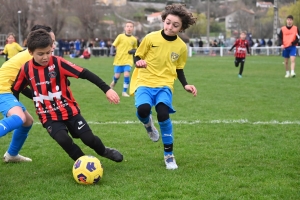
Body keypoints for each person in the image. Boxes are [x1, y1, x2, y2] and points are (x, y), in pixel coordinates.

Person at [12, 29, 123, 163]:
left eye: (48, 52)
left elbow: (85, 73)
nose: (45, 57)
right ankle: (83, 163)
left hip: (70, 111)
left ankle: (104, 151)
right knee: (64, 140)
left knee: (89, 139)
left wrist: (107, 90)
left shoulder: (58, 63)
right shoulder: (26, 69)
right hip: (48, 116)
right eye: (40, 54)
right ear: (30, 52)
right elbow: (16, 88)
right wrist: (18, 108)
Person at [129, 4, 197, 170]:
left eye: (175, 25)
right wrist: (138, 62)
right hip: (144, 81)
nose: (170, 27)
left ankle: (169, 155)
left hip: (165, 85)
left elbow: (179, 68)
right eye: (168, 22)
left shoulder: (181, 47)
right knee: (143, 110)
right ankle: (148, 125)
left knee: (163, 114)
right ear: (164, 20)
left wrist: (185, 84)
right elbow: (137, 54)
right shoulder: (151, 38)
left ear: (181, 28)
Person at [0, 25, 55, 162]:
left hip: (8, 88)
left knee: (27, 121)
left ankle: (12, 155)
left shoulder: (32, 56)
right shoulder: (32, 58)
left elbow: (22, 86)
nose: (52, 46)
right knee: (19, 117)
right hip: (3, 88)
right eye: (51, 42)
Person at [110, 21, 138, 97]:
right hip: (119, 60)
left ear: (133, 28)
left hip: (128, 60)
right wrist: (112, 52)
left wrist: (133, 51)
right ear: (125, 28)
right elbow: (113, 45)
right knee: (117, 76)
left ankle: (124, 92)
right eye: (127, 26)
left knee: (126, 74)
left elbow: (136, 50)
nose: (129, 28)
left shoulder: (134, 39)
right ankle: (113, 84)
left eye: (131, 26)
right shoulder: (120, 36)